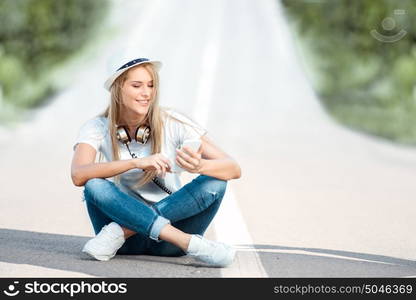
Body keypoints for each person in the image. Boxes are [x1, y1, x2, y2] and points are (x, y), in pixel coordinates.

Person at [71, 57, 242, 267]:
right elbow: (78, 174)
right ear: (118, 89)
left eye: (151, 85)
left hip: (157, 240)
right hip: (126, 244)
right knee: (94, 184)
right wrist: (136, 163)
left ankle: (124, 230)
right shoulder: (97, 126)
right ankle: (191, 244)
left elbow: (233, 168)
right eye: (137, 85)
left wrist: (200, 166)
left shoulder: (172, 121)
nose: (146, 93)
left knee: (216, 181)